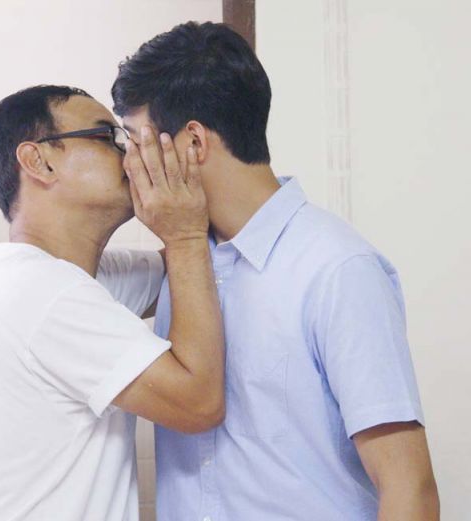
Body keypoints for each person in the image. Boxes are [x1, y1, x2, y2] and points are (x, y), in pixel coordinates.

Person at [112, 22, 440, 520]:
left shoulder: (336, 270)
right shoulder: (184, 259)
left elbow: (409, 488)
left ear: (194, 143)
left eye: (137, 142)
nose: (129, 165)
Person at [0, 85, 224, 521]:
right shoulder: (40, 294)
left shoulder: (70, 279)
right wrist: (183, 234)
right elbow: (198, 404)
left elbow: (186, 271)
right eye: (107, 137)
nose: (130, 155)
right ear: (39, 161)